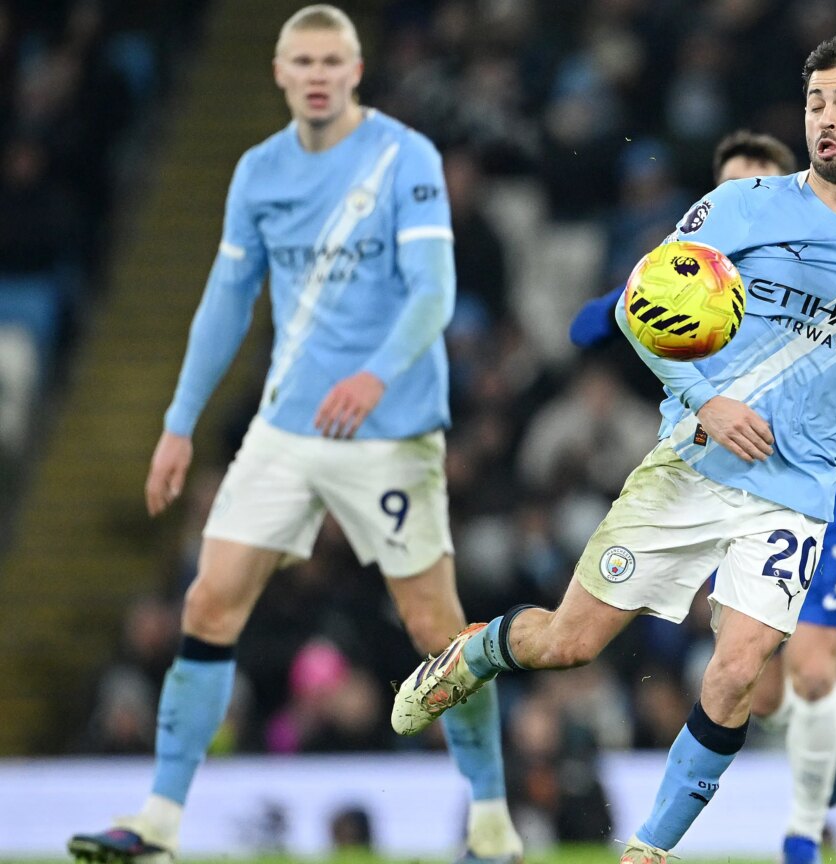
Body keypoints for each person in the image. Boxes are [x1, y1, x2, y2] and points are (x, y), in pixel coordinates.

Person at [392, 35, 836, 864]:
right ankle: (475, 650)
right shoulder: (748, 206)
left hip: (794, 495)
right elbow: (637, 308)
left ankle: (649, 849)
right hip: (695, 464)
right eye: (816, 103)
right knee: (568, 644)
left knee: (738, 672)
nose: (827, 119)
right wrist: (707, 400)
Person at [67, 7, 521, 863]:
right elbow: (225, 304)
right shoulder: (259, 172)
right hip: (286, 428)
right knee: (206, 602)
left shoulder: (404, 158)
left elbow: (434, 291)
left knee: (438, 629)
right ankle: (159, 824)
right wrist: (177, 425)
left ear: (355, 70)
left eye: (332, 60)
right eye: (301, 60)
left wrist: (374, 375)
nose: (317, 74)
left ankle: (492, 820)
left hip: (389, 429)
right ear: (280, 74)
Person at [568, 129, 836, 864]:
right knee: (757, 691)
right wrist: (637, 294)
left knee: (812, 669)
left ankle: (803, 836)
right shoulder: (710, 271)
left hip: (822, 494)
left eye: (759, 177)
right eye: (731, 180)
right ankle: (808, 756)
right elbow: (590, 329)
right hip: (720, 475)